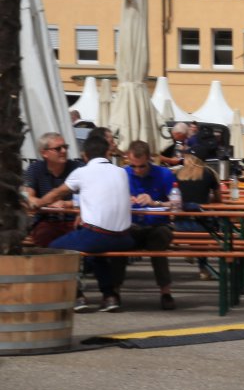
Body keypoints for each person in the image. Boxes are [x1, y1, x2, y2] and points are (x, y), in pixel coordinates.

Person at [30, 134, 135, 312]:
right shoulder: (121, 172)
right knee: (95, 252)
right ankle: (109, 296)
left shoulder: (82, 172)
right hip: (125, 238)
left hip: (98, 236)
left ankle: (76, 295)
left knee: (53, 249)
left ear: (85, 155)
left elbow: (57, 193)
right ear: (107, 153)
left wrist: (38, 204)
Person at [121, 141, 179, 310]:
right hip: (132, 225)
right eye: (133, 166)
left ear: (149, 159)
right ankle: (112, 292)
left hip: (157, 225)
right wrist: (124, 200)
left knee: (158, 241)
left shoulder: (164, 174)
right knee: (117, 239)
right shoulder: (123, 174)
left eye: (142, 166)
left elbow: (176, 204)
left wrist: (155, 202)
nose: (137, 170)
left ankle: (165, 292)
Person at [22, 132, 82, 247]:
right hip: (47, 221)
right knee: (44, 234)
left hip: (74, 221)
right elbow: (28, 196)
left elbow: (89, 197)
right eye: (58, 148)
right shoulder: (35, 168)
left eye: (65, 147)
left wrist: (66, 203)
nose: (64, 151)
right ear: (44, 153)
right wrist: (41, 202)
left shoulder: (78, 168)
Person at [175, 148, 222, 279]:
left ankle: (192, 250)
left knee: (194, 220)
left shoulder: (178, 173)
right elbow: (219, 199)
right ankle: (203, 269)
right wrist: (208, 198)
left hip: (180, 224)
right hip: (201, 224)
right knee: (204, 229)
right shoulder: (209, 173)